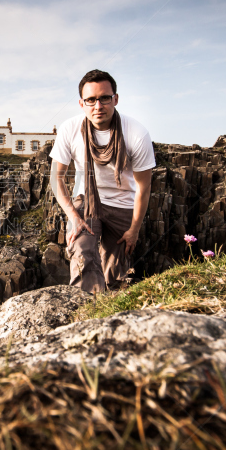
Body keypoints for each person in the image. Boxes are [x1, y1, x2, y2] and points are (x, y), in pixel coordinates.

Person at [49, 69, 155, 294]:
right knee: (81, 249)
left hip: (123, 203)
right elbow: (56, 178)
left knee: (117, 274)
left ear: (115, 99)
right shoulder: (70, 129)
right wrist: (73, 217)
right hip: (86, 201)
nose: (98, 106)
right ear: (81, 103)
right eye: (91, 100)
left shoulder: (136, 133)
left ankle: (111, 315)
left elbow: (144, 187)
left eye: (104, 98)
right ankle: (86, 312)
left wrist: (134, 229)